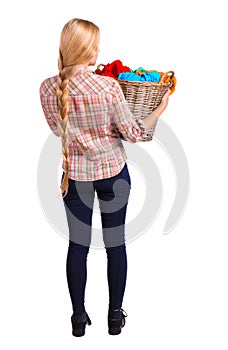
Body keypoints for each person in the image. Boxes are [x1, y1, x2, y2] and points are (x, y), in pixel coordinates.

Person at [39, 18, 170, 337]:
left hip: (75, 178)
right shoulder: (109, 87)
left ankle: (78, 319)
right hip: (113, 175)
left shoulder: (47, 87)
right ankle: (114, 318)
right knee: (116, 245)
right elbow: (134, 133)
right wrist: (158, 110)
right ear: (86, 48)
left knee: (77, 247)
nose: (99, 49)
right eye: (95, 44)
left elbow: (59, 130)